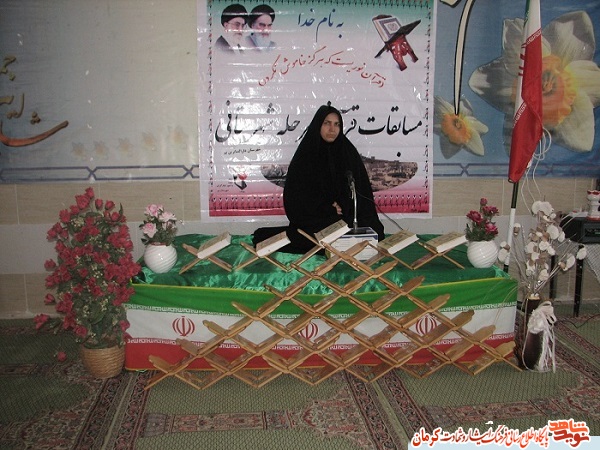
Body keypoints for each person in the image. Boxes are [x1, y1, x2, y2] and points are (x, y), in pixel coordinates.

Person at [253, 104, 384, 254]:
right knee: (316, 235)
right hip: (317, 219)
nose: (332, 129)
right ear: (318, 125)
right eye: (327, 123)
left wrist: (343, 205)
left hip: (346, 217)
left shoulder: (347, 152)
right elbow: (297, 198)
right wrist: (327, 208)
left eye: (336, 124)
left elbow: (360, 189)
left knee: (373, 233)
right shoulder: (307, 155)